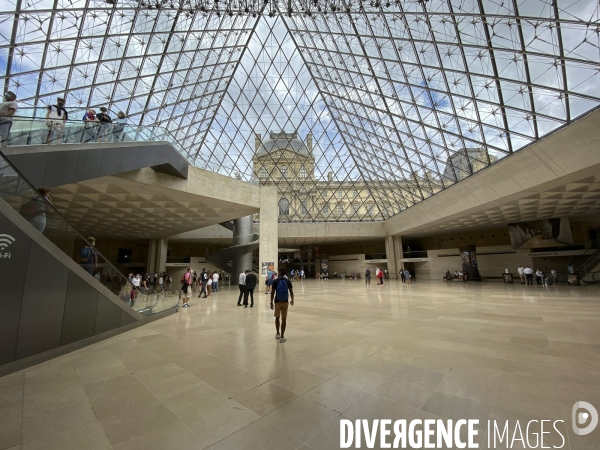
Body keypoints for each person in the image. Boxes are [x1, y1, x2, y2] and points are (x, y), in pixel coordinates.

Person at [270, 269, 294, 343]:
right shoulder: (288, 281)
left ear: (279, 273)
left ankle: (277, 333)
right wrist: (292, 300)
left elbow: (272, 293)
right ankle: (282, 336)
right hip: (285, 301)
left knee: (277, 318)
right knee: (284, 319)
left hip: (277, 301)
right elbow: (291, 292)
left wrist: (271, 302)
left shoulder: (275, 281)